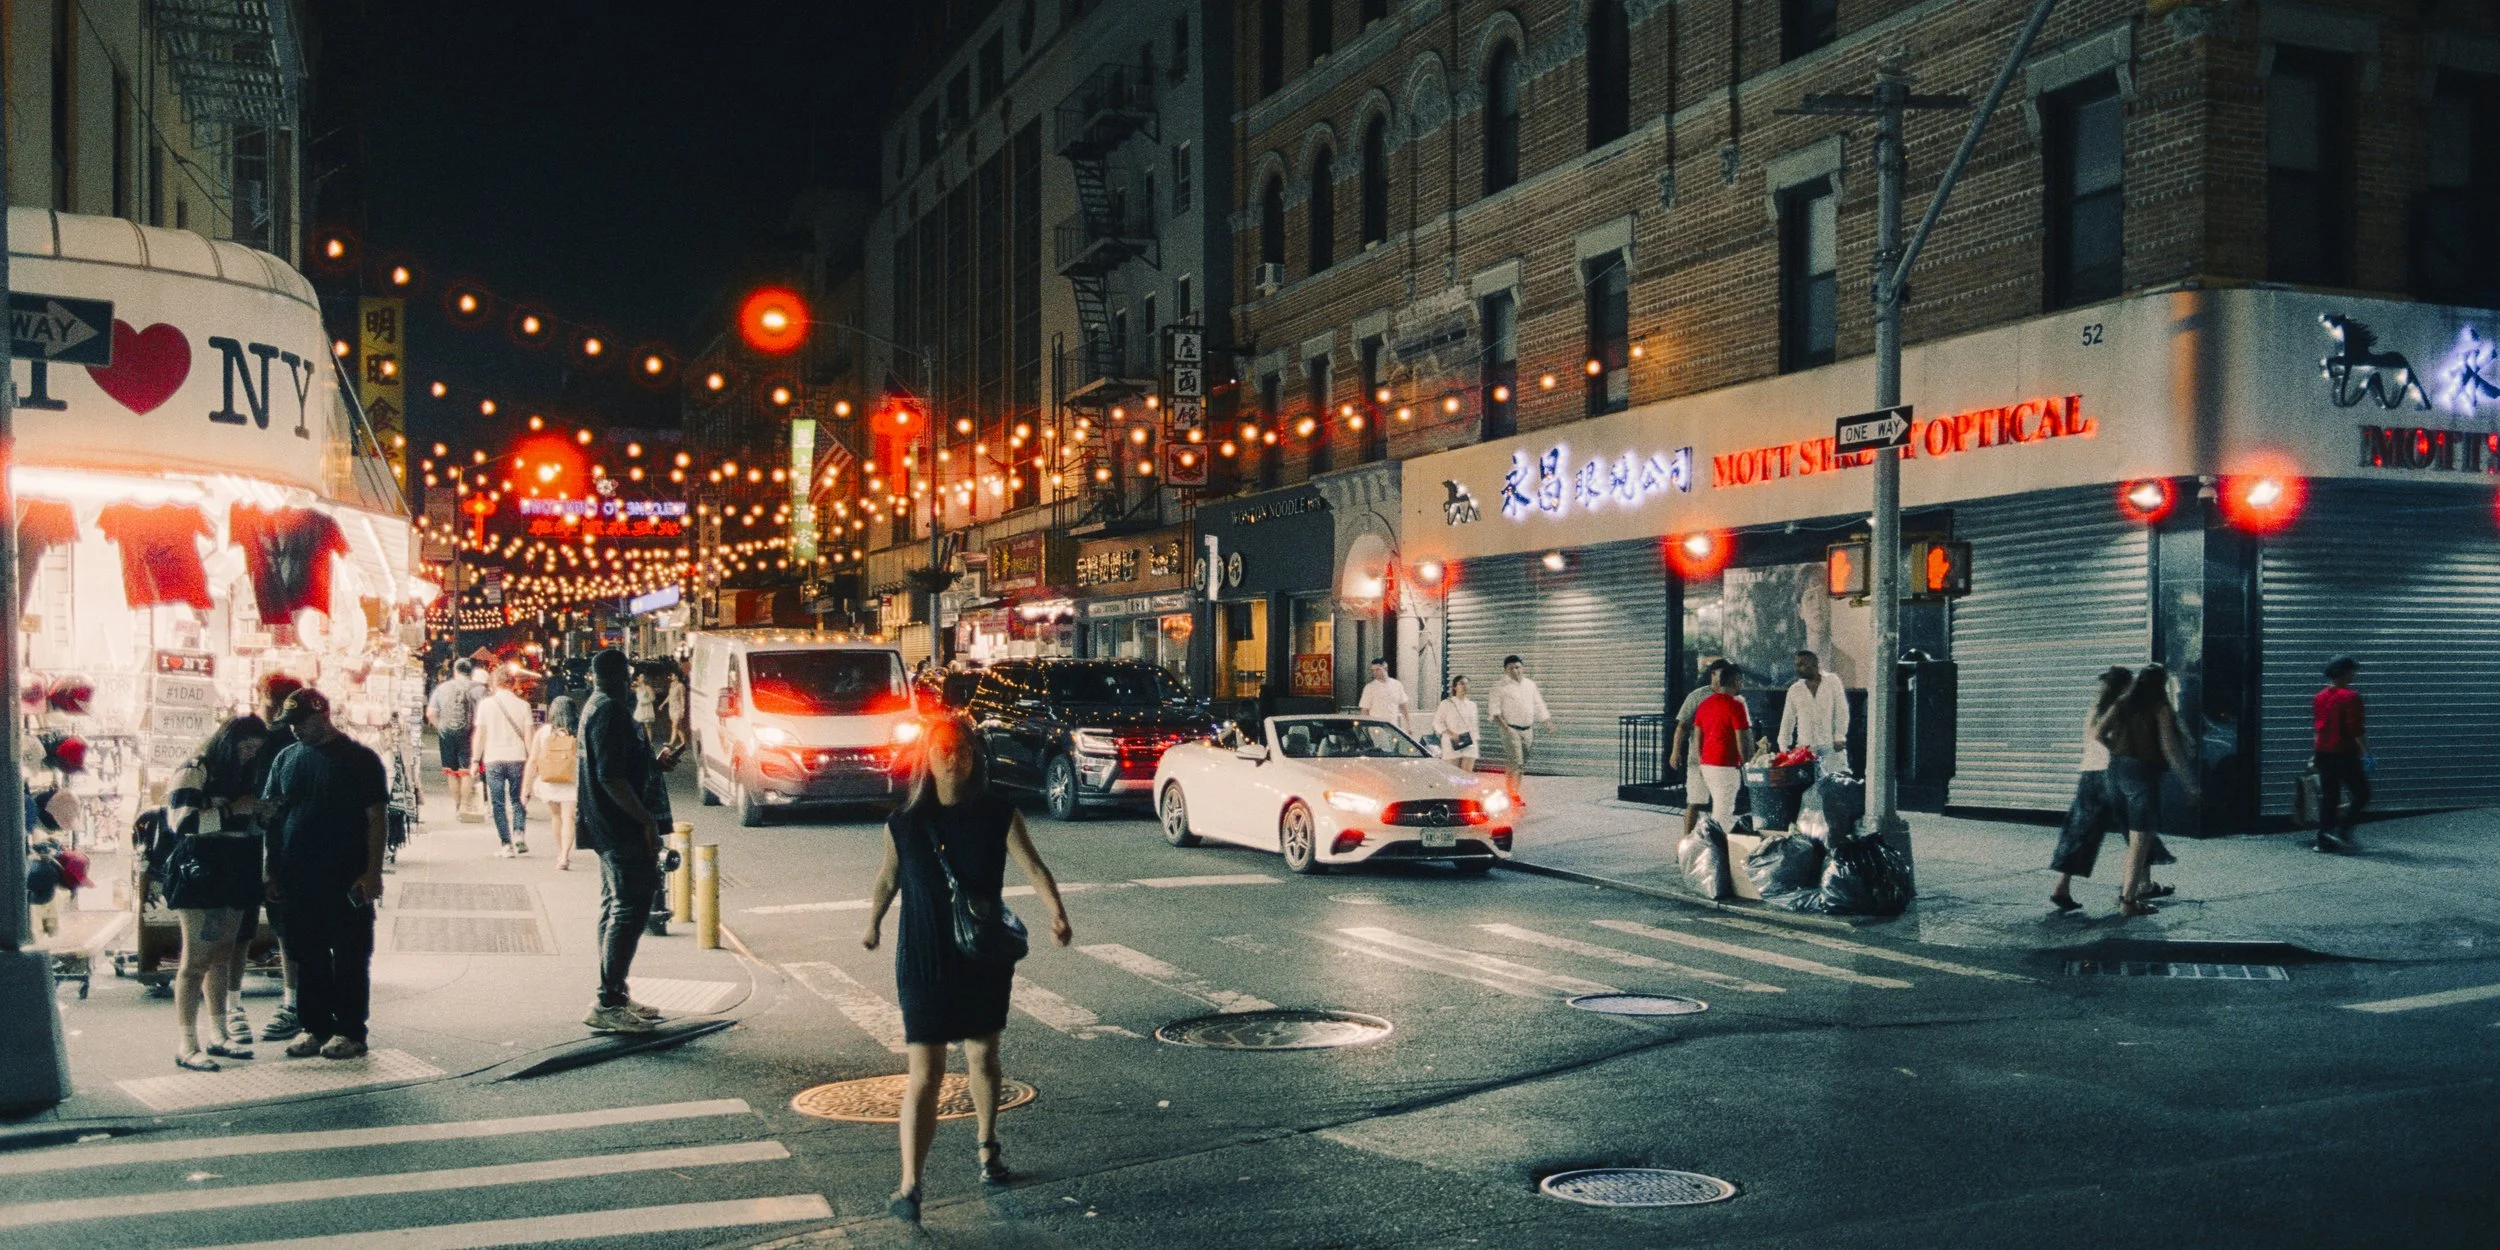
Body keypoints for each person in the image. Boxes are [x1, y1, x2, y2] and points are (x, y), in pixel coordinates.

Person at [862, 714, 1073, 1224]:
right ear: (926, 759)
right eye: (943, 750)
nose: (953, 758)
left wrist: (1057, 913)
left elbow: (1035, 867)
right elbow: (887, 878)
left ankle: (987, 1145)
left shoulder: (998, 813)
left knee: (982, 1057)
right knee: (925, 1073)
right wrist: (872, 923)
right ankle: (910, 1184)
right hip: (923, 958)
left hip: (981, 952)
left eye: (962, 750)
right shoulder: (904, 823)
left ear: (974, 756)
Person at [260, 689, 390, 1059]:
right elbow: (273, 816)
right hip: (297, 873)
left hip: (345, 874)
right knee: (307, 953)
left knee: (350, 953)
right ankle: (314, 1025)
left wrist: (372, 872)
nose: (296, 730)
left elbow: (376, 817)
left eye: (301, 722)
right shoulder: (286, 758)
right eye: (291, 724)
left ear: (322, 715)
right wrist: (271, 871)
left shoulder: (360, 760)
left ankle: (350, 1029)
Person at [165, 716, 275, 1070]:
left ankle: (218, 1033)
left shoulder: (249, 774)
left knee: (223, 956)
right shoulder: (195, 769)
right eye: (245, 747)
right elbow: (181, 823)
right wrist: (232, 809)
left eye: (255, 750)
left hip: (238, 866)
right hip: (202, 870)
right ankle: (186, 1042)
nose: (248, 755)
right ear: (229, 742)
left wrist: (262, 814)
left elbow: (249, 824)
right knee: (196, 960)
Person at [577, 649, 669, 1034]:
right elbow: (611, 777)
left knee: (615, 906)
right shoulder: (609, 712)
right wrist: (645, 822)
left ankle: (614, 993)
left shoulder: (597, 708)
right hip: (620, 828)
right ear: (620, 676)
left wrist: (653, 762)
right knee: (629, 908)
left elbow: (617, 765)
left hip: (608, 827)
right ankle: (608, 999)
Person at [232, 673, 306, 1045]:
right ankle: (291, 1003)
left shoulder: (268, 740)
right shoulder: (294, 741)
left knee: (246, 928)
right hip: (280, 843)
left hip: (260, 843)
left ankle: (234, 1007)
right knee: (284, 928)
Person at [2099, 664, 2198, 917]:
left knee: (2134, 839)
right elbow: (2170, 749)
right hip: (2143, 775)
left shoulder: (2122, 703)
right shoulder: (2160, 708)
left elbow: (2099, 732)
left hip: (2115, 773)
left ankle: (2141, 887)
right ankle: (2128, 902)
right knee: (2139, 841)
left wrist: (2118, 749)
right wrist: (2189, 784)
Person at [2050, 667, 2136, 912]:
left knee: (2081, 831)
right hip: (2112, 774)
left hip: (2089, 773)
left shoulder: (2093, 710)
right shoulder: (2121, 708)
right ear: (2123, 686)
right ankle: (2139, 886)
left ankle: (2062, 886)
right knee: (2138, 830)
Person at [471, 667, 536, 857]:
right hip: (518, 758)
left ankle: (506, 844)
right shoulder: (523, 706)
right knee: (518, 799)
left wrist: (475, 760)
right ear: (513, 684)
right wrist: (533, 762)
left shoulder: (486, 705)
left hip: (493, 758)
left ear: (494, 683)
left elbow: (480, 735)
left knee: (497, 803)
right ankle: (518, 833)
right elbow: (529, 738)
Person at [2312, 655, 2370, 853]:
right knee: (2362, 794)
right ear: (2343, 673)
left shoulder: (2319, 697)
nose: (2354, 674)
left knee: (2330, 797)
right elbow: (2356, 730)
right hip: (2344, 754)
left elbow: (2318, 728)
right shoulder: (2351, 697)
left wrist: (2315, 751)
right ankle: (2342, 831)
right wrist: (2367, 754)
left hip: (2322, 753)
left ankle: (2323, 840)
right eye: (2352, 671)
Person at [1688, 665, 1754, 828]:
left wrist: (1701, 760)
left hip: (1707, 764)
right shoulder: (1736, 706)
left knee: (1719, 808)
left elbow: (1698, 737)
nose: (1742, 685)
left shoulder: (1704, 705)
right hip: (1726, 766)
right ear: (1735, 681)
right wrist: (1746, 763)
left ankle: (1710, 842)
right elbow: (1742, 739)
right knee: (1723, 812)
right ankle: (1714, 847)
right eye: (1741, 681)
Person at [1668, 662, 1728, 838]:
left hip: (1724, 762)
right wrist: (1675, 751)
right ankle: (1686, 843)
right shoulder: (1697, 696)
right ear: (1713, 673)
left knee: (1722, 804)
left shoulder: (1731, 695)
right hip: (1699, 761)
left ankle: (1719, 845)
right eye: (1723, 673)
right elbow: (1682, 726)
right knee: (1694, 802)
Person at [524, 695, 582, 870]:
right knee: (569, 818)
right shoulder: (579, 731)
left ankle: (561, 852)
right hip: (572, 779)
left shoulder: (544, 732)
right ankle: (565, 854)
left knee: (556, 817)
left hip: (549, 780)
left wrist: (526, 787)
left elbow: (533, 760)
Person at [1488, 655, 1553, 802]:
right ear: (1505, 670)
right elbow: (1494, 711)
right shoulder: (1499, 687)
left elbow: (1538, 704)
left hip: (1528, 730)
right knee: (1517, 762)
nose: (1515, 670)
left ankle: (1511, 789)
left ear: (1522, 668)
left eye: (1517, 667)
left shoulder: (1530, 685)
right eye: (1511, 668)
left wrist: (1546, 721)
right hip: (1510, 729)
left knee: (1519, 764)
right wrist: (1505, 728)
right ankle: (1513, 795)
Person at [426, 659, 484, 822]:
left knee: (451, 772)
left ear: (455, 671)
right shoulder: (479, 689)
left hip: (447, 733)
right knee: (466, 771)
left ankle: (457, 805)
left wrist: (440, 727)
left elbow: (430, 713)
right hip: (470, 733)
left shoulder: (442, 688)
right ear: (471, 672)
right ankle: (465, 806)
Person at [1776, 650, 1850, 765]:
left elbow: (1842, 710)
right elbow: (1787, 718)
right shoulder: (1794, 689)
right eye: (1796, 665)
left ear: (1814, 664)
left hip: (1830, 746)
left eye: (1802, 665)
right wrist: (1783, 746)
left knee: (1835, 780)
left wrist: (1839, 736)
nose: (1797, 668)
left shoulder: (1832, 681)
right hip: (1805, 748)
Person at [1432, 675, 1481, 774]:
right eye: (1462, 683)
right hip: (1451, 743)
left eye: (1467, 684)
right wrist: (1452, 734)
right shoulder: (1446, 703)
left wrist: (1475, 741)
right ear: (1455, 687)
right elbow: (1437, 723)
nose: (1465, 686)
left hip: (1469, 743)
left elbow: (1474, 726)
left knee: (1467, 775)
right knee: (1452, 774)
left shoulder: (1472, 705)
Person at [1358, 658, 1411, 728]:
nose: (1374, 673)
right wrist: (1365, 727)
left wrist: (1408, 726)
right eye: (1373, 670)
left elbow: (1403, 707)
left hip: (1393, 727)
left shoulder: (1397, 685)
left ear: (1385, 669)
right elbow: (1364, 710)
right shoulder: (1369, 688)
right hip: (1376, 728)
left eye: (1377, 670)